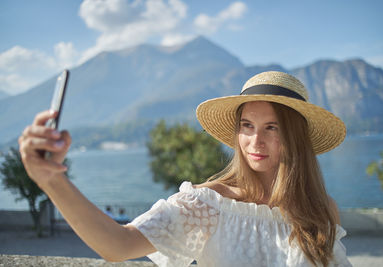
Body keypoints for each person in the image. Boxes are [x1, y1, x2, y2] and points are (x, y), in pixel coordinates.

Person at [19, 71, 352, 266]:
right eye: (247, 126)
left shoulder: (321, 211)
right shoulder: (207, 205)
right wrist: (52, 182)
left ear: (295, 137)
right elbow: (118, 244)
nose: (255, 141)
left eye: (272, 127)